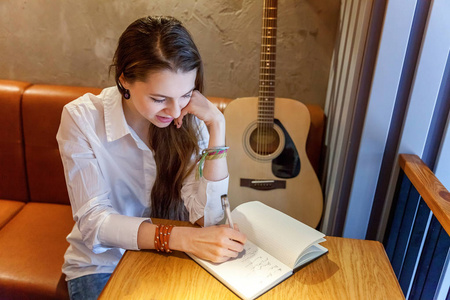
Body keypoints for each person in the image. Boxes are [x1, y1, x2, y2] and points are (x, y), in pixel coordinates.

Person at [56, 16, 246, 300]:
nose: (173, 110)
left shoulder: (192, 120)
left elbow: (210, 218)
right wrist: (183, 238)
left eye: (185, 94)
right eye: (159, 99)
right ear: (124, 81)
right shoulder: (81, 118)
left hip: (177, 257)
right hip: (103, 265)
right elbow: (95, 222)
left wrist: (217, 125)